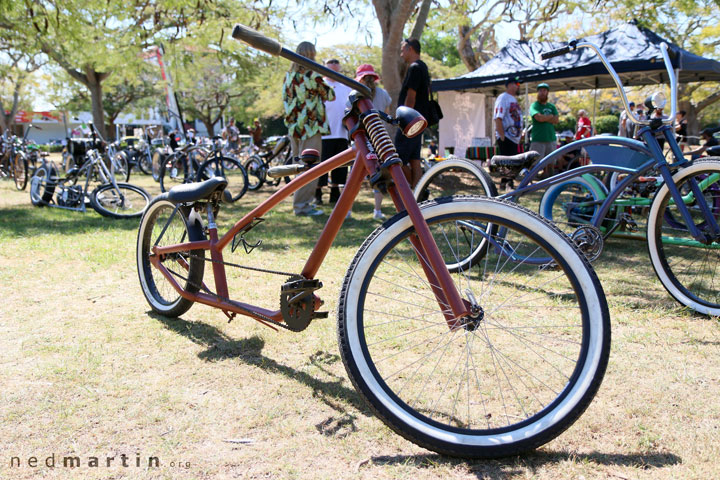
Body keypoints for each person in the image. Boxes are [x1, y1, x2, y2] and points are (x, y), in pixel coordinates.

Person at [282, 41, 335, 216]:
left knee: (298, 167)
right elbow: (330, 95)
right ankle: (302, 206)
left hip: (294, 128)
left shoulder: (288, 76)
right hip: (310, 127)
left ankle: (301, 204)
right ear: (312, 54)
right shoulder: (313, 75)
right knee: (310, 168)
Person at [356, 63, 393, 220]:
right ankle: (377, 211)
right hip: (379, 139)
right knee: (379, 175)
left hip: (362, 140)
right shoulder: (383, 94)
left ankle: (348, 211)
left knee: (355, 177)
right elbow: (387, 113)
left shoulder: (356, 93)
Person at [316, 59, 352, 208]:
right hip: (323, 134)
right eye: (330, 70)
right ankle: (317, 193)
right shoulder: (319, 85)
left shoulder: (345, 87)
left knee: (340, 165)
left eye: (336, 70)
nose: (333, 73)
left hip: (341, 133)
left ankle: (335, 192)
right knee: (321, 165)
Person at [396, 38, 432, 188]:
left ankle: (412, 190)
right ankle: (418, 194)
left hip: (410, 122)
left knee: (397, 158)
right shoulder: (423, 67)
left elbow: (411, 96)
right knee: (414, 160)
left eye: (403, 49)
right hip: (419, 122)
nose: (401, 53)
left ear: (410, 49)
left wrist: (405, 120)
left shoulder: (415, 67)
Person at [494, 76, 523, 189]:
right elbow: (498, 117)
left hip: (513, 137)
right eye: (517, 84)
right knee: (507, 161)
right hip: (506, 136)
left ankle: (506, 183)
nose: (518, 87)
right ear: (510, 85)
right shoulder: (503, 98)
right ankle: (507, 184)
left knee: (512, 161)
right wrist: (501, 136)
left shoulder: (513, 99)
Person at [528, 83, 558, 159]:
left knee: (550, 163)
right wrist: (550, 116)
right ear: (538, 92)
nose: (542, 92)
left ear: (547, 92)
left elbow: (556, 120)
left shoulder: (552, 106)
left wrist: (544, 118)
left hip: (551, 139)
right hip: (538, 140)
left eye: (544, 90)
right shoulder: (534, 105)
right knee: (535, 164)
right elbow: (539, 118)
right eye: (540, 90)